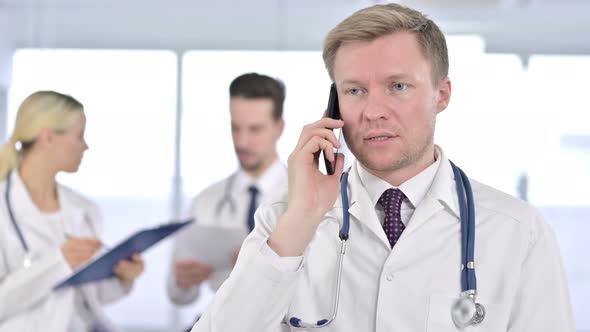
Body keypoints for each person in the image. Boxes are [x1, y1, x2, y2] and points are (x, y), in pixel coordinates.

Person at [191, 4, 575, 332]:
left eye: (398, 87)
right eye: (355, 90)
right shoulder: (285, 224)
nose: (373, 111)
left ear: (441, 95)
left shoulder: (517, 232)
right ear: (334, 105)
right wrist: (301, 220)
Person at [0, 91, 145, 332]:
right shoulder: (4, 209)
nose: (86, 146)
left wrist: (122, 278)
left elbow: (90, 297)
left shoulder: (84, 209)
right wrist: (59, 262)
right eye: (79, 136)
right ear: (47, 137)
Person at [167, 73, 288, 308]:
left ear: (279, 128)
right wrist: (183, 282)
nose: (242, 142)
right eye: (236, 128)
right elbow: (177, 295)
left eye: (255, 130)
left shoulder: (304, 198)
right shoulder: (206, 201)